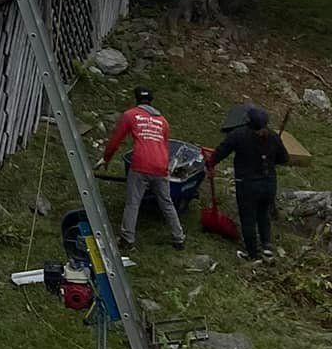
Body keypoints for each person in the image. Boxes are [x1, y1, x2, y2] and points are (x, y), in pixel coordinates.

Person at [100, 85, 185, 251]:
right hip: (161, 166)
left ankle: (127, 239)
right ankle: (179, 238)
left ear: (136, 99)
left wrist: (106, 158)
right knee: (166, 203)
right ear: (152, 101)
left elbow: (116, 140)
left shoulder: (130, 115)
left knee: (133, 203)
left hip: (140, 164)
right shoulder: (163, 121)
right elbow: (165, 146)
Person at [206, 105, 288, 262]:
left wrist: (210, 163)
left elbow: (221, 152)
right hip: (269, 184)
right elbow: (284, 159)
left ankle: (252, 253)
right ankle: (266, 247)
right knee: (263, 215)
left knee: (248, 218)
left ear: (248, 122)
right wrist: (270, 158)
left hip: (247, 184)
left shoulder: (238, 135)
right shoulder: (273, 136)